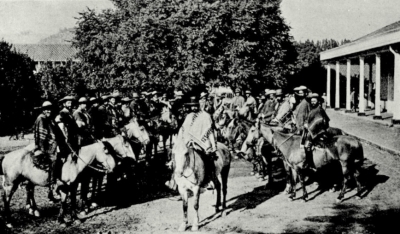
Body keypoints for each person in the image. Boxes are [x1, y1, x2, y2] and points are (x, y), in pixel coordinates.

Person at [175, 96, 218, 188]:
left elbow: (209, 131)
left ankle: (209, 179)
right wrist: (181, 141)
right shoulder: (189, 116)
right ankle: (174, 180)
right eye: (192, 106)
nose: (193, 108)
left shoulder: (205, 116)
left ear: (199, 106)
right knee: (178, 156)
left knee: (207, 158)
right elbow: (183, 129)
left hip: (201, 143)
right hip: (188, 142)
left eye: (195, 106)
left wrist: (213, 145)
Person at [33, 101, 61, 200]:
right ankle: (52, 185)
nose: (49, 110)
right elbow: (41, 136)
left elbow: (57, 132)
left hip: (53, 145)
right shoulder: (41, 119)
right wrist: (43, 149)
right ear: (43, 110)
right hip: (44, 146)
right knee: (53, 160)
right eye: (47, 109)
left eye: (50, 109)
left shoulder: (50, 119)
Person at [303, 93, 330, 169]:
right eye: (311, 101)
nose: (313, 102)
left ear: (318, 101)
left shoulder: (319, 110)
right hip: (312, 129)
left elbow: (318, 121)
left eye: (314, 101)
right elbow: (308, 119)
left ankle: (310, 164)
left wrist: (308, 127)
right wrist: (305, 123)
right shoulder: (312, 109)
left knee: (307, 145)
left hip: (319, 131)